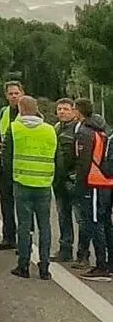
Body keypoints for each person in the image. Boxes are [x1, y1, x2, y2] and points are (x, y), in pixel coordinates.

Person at [3, 95, 56, 280]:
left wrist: (9, 181)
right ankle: (44, 268)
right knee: (45, 226)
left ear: (20, 109)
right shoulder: (50, 130)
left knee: (24, 226)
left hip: (22, 183)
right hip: (43, 185)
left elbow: (7, 157)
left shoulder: (15, 128)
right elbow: (57, 156)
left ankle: (23, 266)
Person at [74, 97, 113, 279]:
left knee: (95, 223)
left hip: (94, 182)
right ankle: (109, 263)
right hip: (106, 181)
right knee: (105, 222)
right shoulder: (102, 128)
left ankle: (102, 266)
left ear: (79, 111)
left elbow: (83, 161)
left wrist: (79, 186)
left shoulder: (85, 132)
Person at [0, 81, 25, 252]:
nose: (13, 96)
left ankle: (24, 241)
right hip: (5, 167)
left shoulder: (29, 113)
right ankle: (8, 237)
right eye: (11, 93)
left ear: (22, 94)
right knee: (6, 203)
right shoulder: (3, 112)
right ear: (6, 95)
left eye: (16, 93)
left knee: (23, 206)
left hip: (21, 167)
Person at [52, 98, 79, 263]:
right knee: (63, 215)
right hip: (58, 180)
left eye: (65, 109)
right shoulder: (55, 128)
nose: (62, 112)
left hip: (73, 180)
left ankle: (83, 254)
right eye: (59, 109)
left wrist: (74, 175)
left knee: (81, 219)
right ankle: (65, 249)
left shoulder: (78, 129)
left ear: (73, 111)